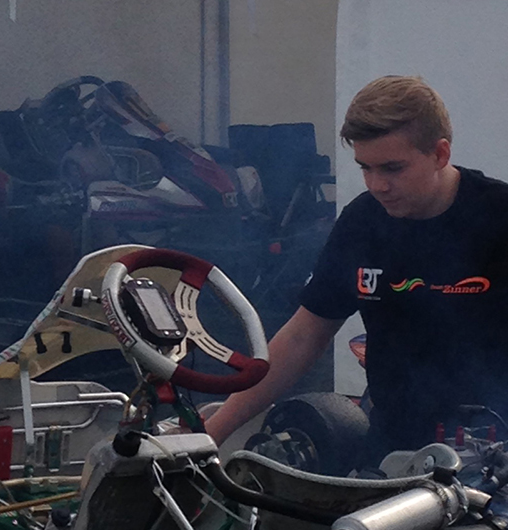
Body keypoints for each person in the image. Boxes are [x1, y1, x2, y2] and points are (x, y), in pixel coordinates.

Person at [205, 75, 508, 466]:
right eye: (366, 168)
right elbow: (303, 335)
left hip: (495, 455)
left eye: (393, 168)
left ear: (440, 153)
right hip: (393, 449)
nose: (377, 185)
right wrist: (212, 433)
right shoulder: (362, 222)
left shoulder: (498, 217)